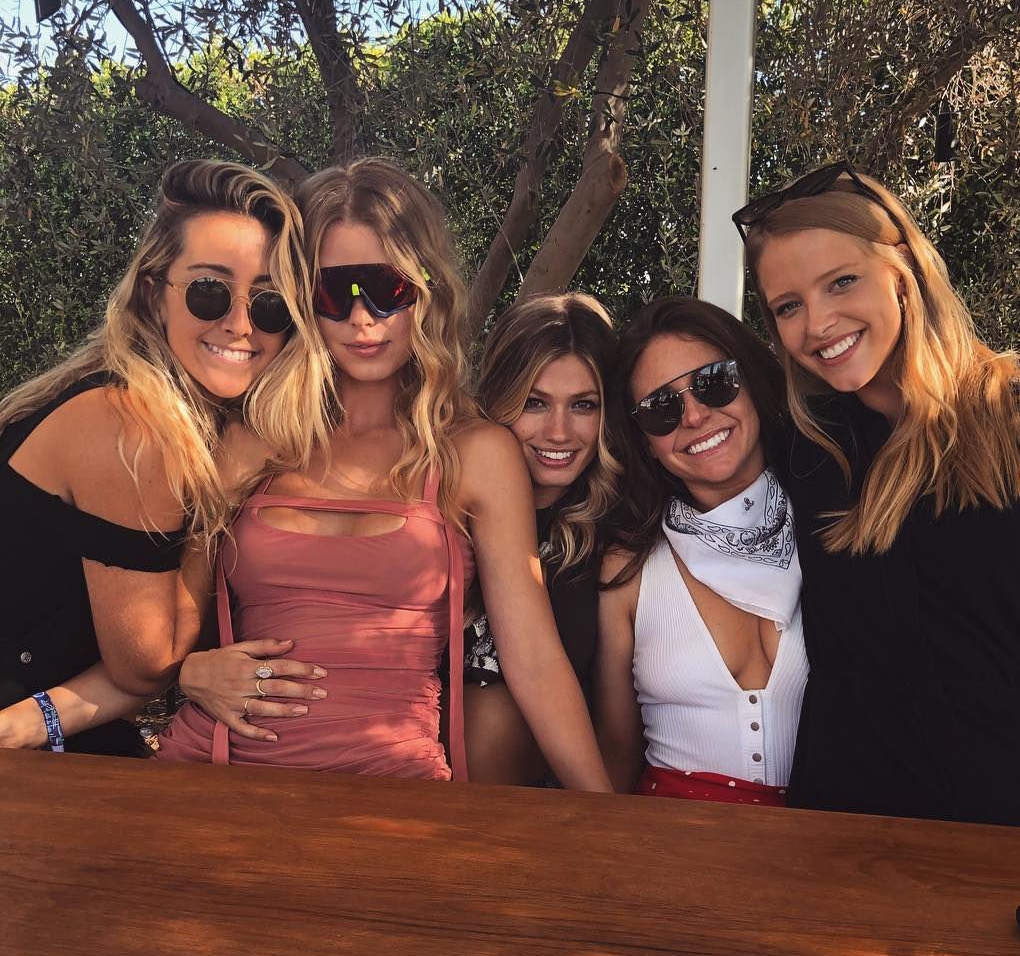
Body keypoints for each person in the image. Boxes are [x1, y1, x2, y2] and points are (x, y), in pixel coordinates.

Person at [157, 159, 612, 791]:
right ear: (300, 298)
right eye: (332, 292)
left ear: (427, 290)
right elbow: (168, 636)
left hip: (397, 796)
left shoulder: (474, 452)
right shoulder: (249, 441)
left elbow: (533, 658)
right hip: (217, 777)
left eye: (385, 289)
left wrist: (605, 814)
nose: (362, 318)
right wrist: (190, 672)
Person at [736, 161, 1020, 829]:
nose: (818, 323)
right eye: (788, 306)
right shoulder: (804, 453)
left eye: (841, 282)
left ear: (903, 273)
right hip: (840, 838)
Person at [0, 160, 328, 756]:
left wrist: (31, 721)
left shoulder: (161, 411)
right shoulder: (131, 425)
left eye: (270, 303)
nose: (240, 324)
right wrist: (224, 492)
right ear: (154, 294)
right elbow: (146, 665)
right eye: (209, 292)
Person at [595, 296, 808, 804]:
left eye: (715, 382)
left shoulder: (836, 530)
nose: (694, 415)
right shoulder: (628, 570)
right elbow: (616, 751)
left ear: (752, 382)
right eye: (661, 409)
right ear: (644, 442)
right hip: (669, 840)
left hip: (825, 839)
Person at [461, 292, 620, 784]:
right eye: (534, 402)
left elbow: (621, 727)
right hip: (406, 779)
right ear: (498, 398)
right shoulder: (438, 508)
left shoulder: (619, 534)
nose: (558, 432)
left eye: (584, 405)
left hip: (548, 803)